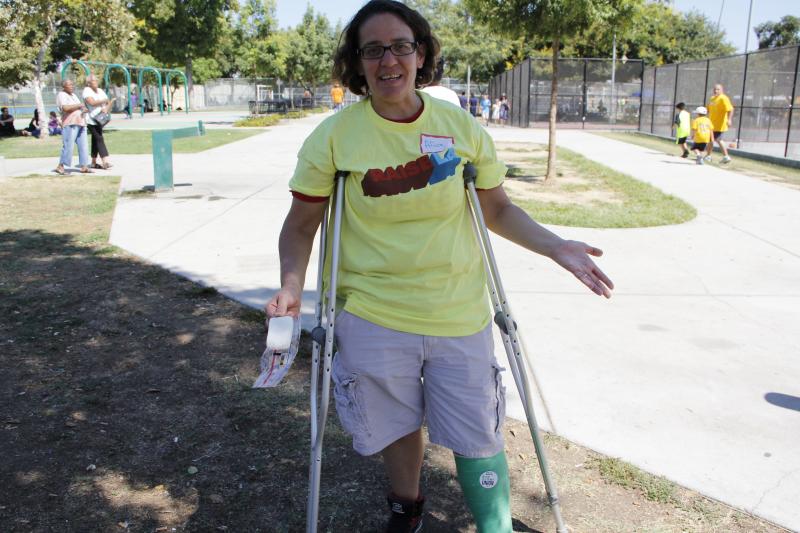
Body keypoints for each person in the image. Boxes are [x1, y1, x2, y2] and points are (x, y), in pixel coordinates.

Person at [264, 1, 614, 532]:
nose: (388, 60)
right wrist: (292, 285)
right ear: (357, 63)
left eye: (400, 46)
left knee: (477, 431)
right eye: (373, 49)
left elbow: (497, 209)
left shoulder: (460, 127)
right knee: (399, 425)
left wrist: (555, 246)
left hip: (458, 311)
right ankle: (407, 508)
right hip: (373, 310)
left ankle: (495, 526)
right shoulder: (334, 138)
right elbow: (300, 225)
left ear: (419, 53)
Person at [55, 79, 91, 175]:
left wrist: (84, 109)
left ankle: (84, 166)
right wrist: (79, 105)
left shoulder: (74, 95)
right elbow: (65, 108)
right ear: (64, 86)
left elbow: (80, 107)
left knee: (83, 146)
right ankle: (60, 166)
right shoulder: (61, 95)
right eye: (69, 85)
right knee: (68, 145)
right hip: (70, 123)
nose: (72, 86)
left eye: (72, 84)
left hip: (81, 122)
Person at [83, 74, 114, 169]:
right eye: (94, 81)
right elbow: (91, 102)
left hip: (100, 118)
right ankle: (105, 161)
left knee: (95, 139)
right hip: (91, 119)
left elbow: (107, 102)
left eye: (96, 80)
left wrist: (106, 108)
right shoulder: (86, 91)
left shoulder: (100, 91)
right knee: (99, 138)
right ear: (89, 83)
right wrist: (103, 101)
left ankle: (93, 162)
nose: (96, 82)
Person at [706, 83, 734, 164]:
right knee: (711, 140)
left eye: (718, 89)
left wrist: (729, 120)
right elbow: (708, 109)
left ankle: (726, 156)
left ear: (722, 90)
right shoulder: (712, 98)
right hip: (712, 124)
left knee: (718, 140)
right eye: (714, 89)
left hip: (720, 124)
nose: (716, 91)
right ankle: (708, 156)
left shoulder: (723, 98)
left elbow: (731, 109)